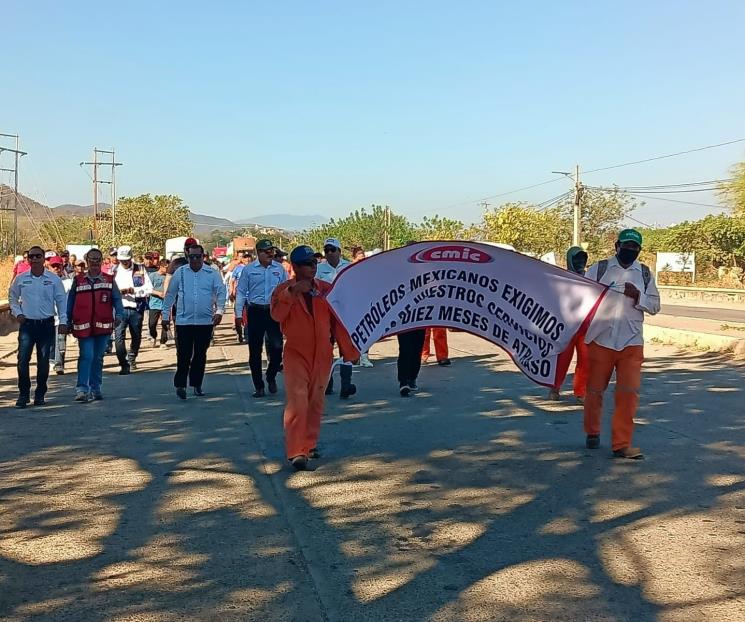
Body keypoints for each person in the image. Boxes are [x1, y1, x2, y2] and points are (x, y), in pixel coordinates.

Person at [271, 245, 359, 470]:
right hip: (296, 354)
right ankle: (296, 452)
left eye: (314, 263)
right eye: (308, 264)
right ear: (296, 267)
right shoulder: (283, 290)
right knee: (298, 400)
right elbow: (277, 315)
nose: (313, 268)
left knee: (315, 401)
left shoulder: (326, 290)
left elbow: (338, 324)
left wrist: (349, 352)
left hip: (322, 354)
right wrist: (292, 293)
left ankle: (309, 445)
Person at [583, 229, 660, 459]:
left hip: (631, 342)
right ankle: (592, 431)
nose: (631, 251)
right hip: (601, 339)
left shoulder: (644, 273)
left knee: (628, 394)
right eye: (627, 246)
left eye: (635, 247)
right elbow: (579, 296)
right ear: (617, 246)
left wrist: (639, 297)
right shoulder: (600, 269)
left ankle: (622, 444)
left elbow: (655, 306)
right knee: (595, 392)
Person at [162, 244, 226, 399]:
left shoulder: (212, 273)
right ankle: (180, 384)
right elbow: (170, 294)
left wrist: (219, 311)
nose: (195, 260)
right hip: (184, 321)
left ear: (203, 256)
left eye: (198, 256)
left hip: (205, 321)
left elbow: (221, 292)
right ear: (187, 256)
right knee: (183, 354)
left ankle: (197, 384)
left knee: (200, 354)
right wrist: (165, 316)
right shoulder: (181, 273)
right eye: (192, 257)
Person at [8, 245, 68, 408]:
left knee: (43, 362)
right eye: (31, 256)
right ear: (27, 259)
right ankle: (23, 394)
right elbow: (12, 297)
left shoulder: (53, 279)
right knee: (22, 360)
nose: (34, 259)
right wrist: (17, 313)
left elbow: (61, 301)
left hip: (46, 325)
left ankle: (40, 393)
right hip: (27, 325)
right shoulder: (21, 279)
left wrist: (63, 321)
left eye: (38, 256)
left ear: (43, 259)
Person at [66, 248, 125, 401]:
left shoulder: (109, 280)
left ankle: (96, 387)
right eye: (91, 259)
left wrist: (119, 314)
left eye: (97, 259)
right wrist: (67, 320)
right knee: (86, 356)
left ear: (101, 260)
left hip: (103, 326)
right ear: (86, 260)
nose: (94, 262)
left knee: (98, 357)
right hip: (83, 326)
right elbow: (70, 301)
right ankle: (82, 389)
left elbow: (117, 300)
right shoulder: (78, 280)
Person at [235, 239, 287, 397]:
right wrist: (238, 315)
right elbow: (241, 292)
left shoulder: (279, 269)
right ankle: (259, 386)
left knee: (277, 348)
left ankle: (271, 376)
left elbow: (285, 291)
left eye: (272, 251)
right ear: (258, 253)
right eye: (266, 251)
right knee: (255, 350)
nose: (270, 254)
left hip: (273, 312)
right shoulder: (249, 270)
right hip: (255, 311)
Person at [316, 238, 357, 397]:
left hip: (344, 314)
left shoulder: (349, 267)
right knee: (325, 349)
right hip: (324, 315)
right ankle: (327, 383)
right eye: (327, 250)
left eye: (333, 250)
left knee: (346, 349)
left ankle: (346, 385)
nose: (329, 253)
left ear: (340, 251)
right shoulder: (319, 269)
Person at [548, 246, 589, 402]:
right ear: (569, 259)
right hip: (565, 326)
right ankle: (554, 388)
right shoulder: (561, 278)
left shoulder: (590, 278)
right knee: (561, 360)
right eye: (577, 258)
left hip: (585, 325)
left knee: (586, 360)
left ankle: (581, 392)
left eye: (583, 259)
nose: (580, 262)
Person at [112, 245, 153, 374]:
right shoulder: (114, 271)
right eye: (122, 260)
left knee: (136, 335)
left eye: (126, 260)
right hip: (120, 309)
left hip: (136, 308)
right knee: (119, 336)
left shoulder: (139, 269)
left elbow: (149, 288)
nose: (124, 262)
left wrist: (133, 290)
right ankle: (123, 363)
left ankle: (132, 357)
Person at [47, 255, 73, 375]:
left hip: (62, 318)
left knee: (61, 341)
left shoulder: (68, 282)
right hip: (46, 317)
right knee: (50, 341)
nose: (56, 268)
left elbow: (72, 300)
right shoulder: (44, 281)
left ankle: (59, 364)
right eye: (54, 266)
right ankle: (51, 360)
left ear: (62, 267)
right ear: (49, 267)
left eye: (58, 266)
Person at [230, 251, 252, 344]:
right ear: (242, 259)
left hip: (250, 296)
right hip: (240, 295)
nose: (247, 260)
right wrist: (232, 291)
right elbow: (232, 280)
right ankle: (239, 334)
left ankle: (247, 336)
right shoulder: (238, 268)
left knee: (249, 317)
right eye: (245, 258)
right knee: (238, 317)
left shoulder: (254, 268)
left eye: (249, 258)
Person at [148, 259, 169, 347]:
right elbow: (148, 289)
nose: (168, 269)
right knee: (152, 324)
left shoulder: (169, 277)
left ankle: (163, 341)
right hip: (154, 303)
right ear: (161, 266)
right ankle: (153, 336)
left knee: (165, 323)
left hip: (166, 304)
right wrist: (158, 293)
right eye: (166, 267)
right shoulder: (152, 276)